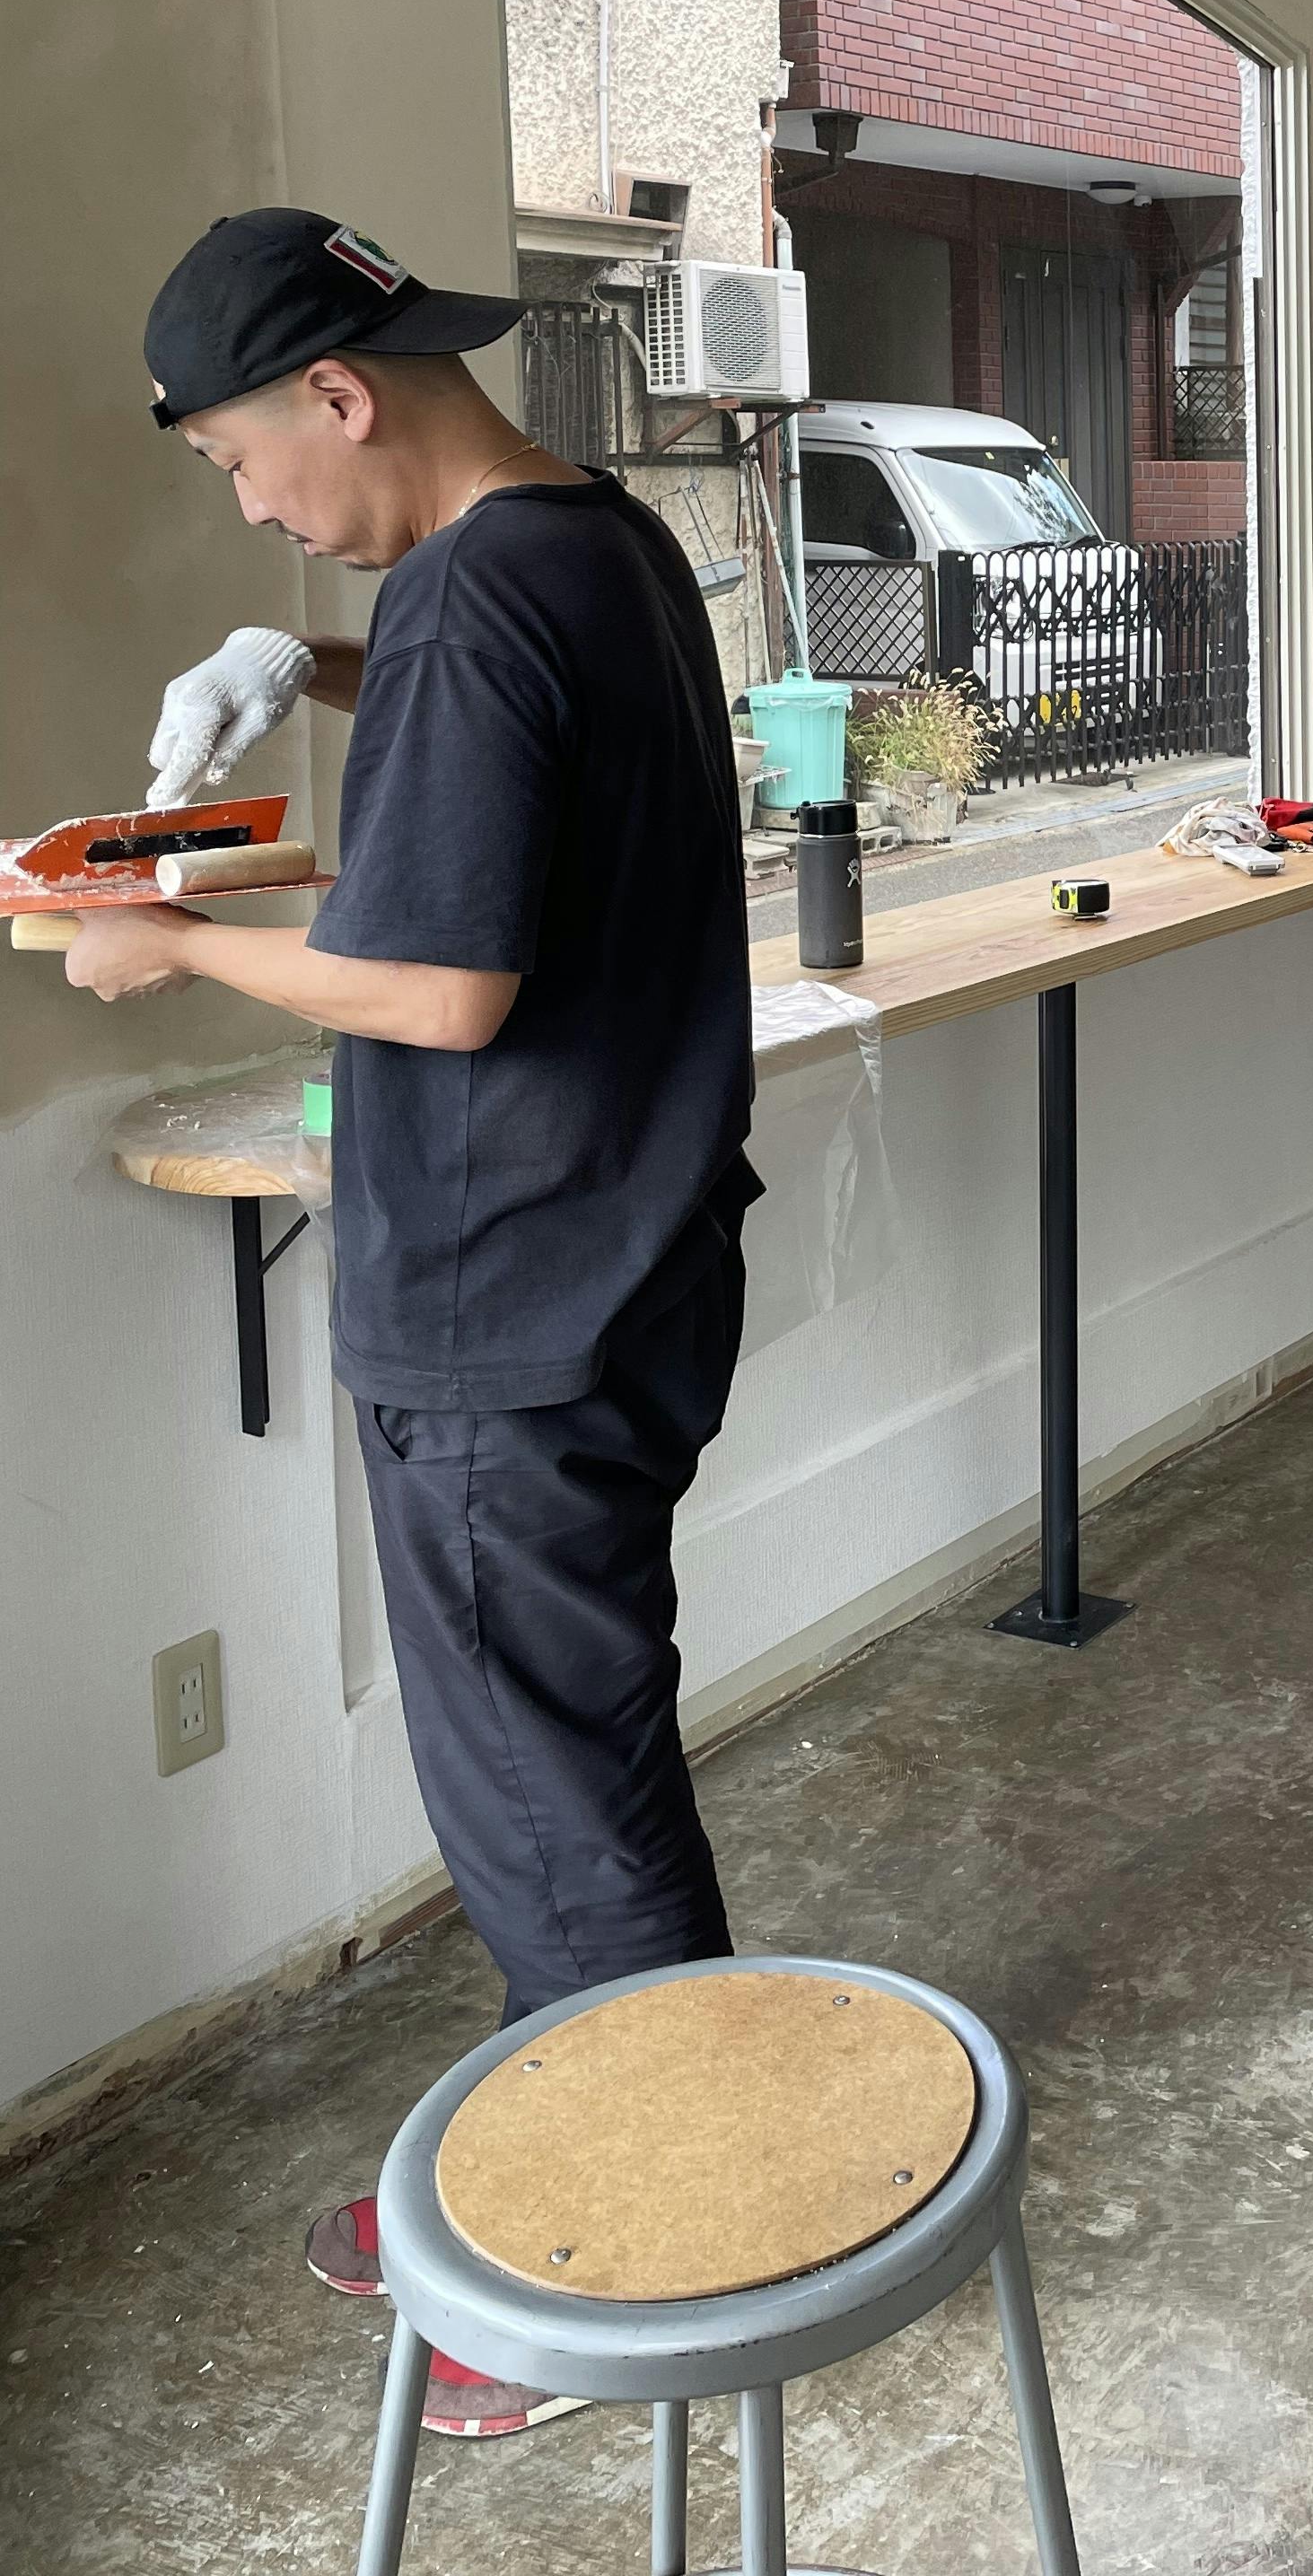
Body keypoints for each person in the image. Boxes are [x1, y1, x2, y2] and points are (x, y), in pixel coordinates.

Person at [63, 206, 761, 2439]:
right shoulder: (600, 543)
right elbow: (502, 706)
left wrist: (170, 945)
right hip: (633, 1259)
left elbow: (445, 992)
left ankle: (628, 2247)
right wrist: (302, 662)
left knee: (549, 1799)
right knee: (569, 1758)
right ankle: (558, 2147)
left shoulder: (478, 596)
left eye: (239, 466)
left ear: (340, 396)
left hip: (505, 1307)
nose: (255, 511)